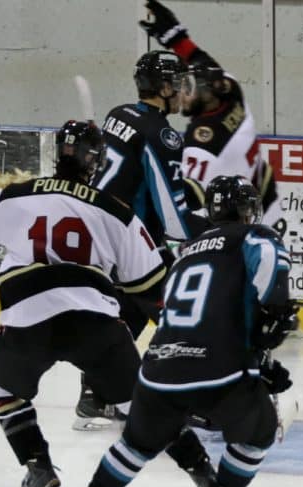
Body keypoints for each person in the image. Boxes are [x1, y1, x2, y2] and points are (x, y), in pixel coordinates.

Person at [0, 119, 213, 487]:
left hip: (28, 314)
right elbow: (150, 289)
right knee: (146, 409)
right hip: (95, 319)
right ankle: (206, 475)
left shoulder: (13, 195)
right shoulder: (117, 212)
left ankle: (38, 466)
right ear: (96, 162)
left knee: (1, 385)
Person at [68, 175, 298, 487]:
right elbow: (270, 270)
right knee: (259, 432)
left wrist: (262, 360)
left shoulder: (183, 251)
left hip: (159, 367)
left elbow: (197, 312)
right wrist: (279, 313)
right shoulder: (255, 237)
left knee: (135, 444)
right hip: (218, 370)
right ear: (245, 209)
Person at [72, 48, 212, 427]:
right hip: (131, 241)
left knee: (126, 314)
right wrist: (204, 232)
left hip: (100, 234)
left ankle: (96, 395)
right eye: (178, 83)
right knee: (183, 317)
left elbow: (132, 176)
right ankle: (168, 398)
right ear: (163, 86)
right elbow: (172, 216)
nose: (184, 90)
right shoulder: (161, 134)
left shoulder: (119, 114)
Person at [138, 0, 280, 225]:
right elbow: (202, 62)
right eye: (184, 84)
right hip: (264, 198)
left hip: (239, 224)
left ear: (211, 94)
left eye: (190, 88)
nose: (182, 93)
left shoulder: (201, 142)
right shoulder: (232, 94)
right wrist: (177, 39)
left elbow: (188, 199)